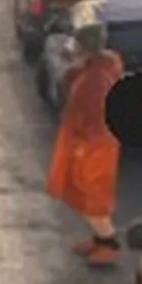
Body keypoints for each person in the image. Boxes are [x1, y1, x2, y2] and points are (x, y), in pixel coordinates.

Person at [45, 23, 125, 267]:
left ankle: (109, 244)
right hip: (96, 143)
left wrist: (81, 148)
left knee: (92, 196)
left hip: (93, 146)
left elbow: (94, 118)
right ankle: (99, 240)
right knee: (87, 193)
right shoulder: (106, 64)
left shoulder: (94, 82)